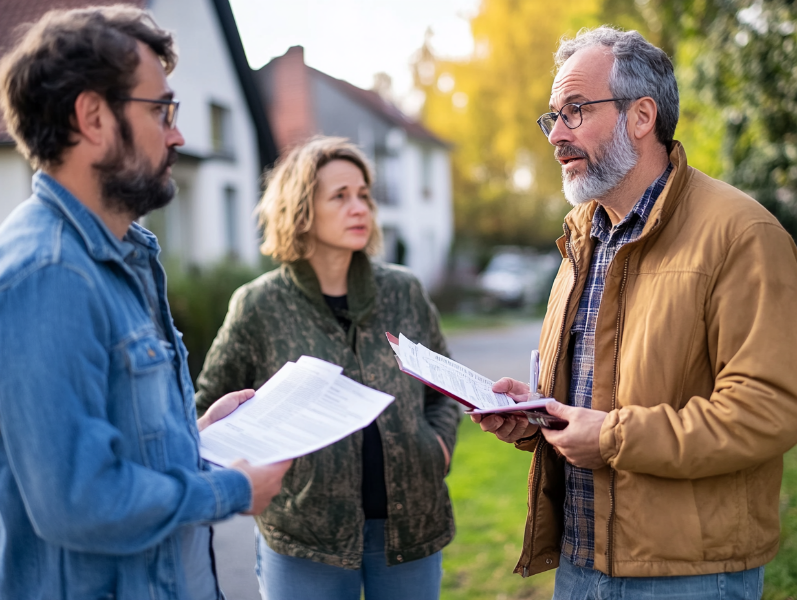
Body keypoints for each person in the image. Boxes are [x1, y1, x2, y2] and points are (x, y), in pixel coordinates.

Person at [473, 26, 797, 600]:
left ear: (641, 116)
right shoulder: (581, 238)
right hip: (579, 563)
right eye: (554, 116)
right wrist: (535, 418)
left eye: (576, 110)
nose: (557, 137)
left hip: (690, 576)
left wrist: (614, 437)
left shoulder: (742, 233)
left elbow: (768, 410)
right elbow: (596, 402)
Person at [0, 7, 291, 600]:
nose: (178, 133)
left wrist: (196, 434)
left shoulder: (123, 255)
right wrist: (231, 491)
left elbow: (116, 434)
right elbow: (77, 501)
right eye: (161, 109)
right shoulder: (48, 274)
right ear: (93, 118)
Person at [195, 135, 460, 600]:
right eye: (340, 196)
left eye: (363, 195)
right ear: (301, 208)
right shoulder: (257, 305)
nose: (359, 208)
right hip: (304, 535)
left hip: (409, 526)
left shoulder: (405, 291)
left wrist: (437, 449)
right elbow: (209, 409)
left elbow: (442, 391)